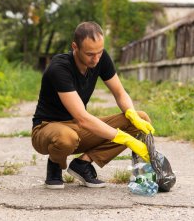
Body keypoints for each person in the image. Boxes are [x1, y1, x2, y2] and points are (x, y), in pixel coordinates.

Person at [31, 21, 155, 189]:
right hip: (47, 129)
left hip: (77, 128)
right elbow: (82, 118)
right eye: (90, 54)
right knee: (66, 138)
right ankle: (55, 163)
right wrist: (126, 139)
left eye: (99, 52)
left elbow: (120, 93)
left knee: (140, 119)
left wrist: (131, 113)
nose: (96, 59)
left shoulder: (100, 58)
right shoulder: (59, 68)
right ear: (75, 47)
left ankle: (83, 164)